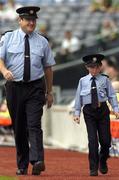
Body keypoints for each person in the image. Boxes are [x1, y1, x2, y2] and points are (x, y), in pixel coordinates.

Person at [0, 6, 55, 175]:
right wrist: (4, 71)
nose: (31, 23)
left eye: (34, 20)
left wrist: (49, 92)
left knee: (34, 124)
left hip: (35, 87)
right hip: (14, 88)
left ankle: (37, 160)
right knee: (19, 126)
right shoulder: (8, 38)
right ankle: (22, 165)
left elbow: (48, 68)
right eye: (28, 20)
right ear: (20, 21)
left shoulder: (42, 42)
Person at [73, 54, 119, 176]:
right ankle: (93, 167)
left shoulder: (105, 79)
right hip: (89, 111)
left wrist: (115, 108)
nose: (94, 70)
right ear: (87, 67)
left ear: (100, 67)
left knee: (106, 141)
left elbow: (112, 95)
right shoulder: (82, 81)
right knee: (92, 140)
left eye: (96, 67)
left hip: (102, 110)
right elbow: (79, 98)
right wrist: (76, 113)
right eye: (91, 67)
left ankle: (102, 160)